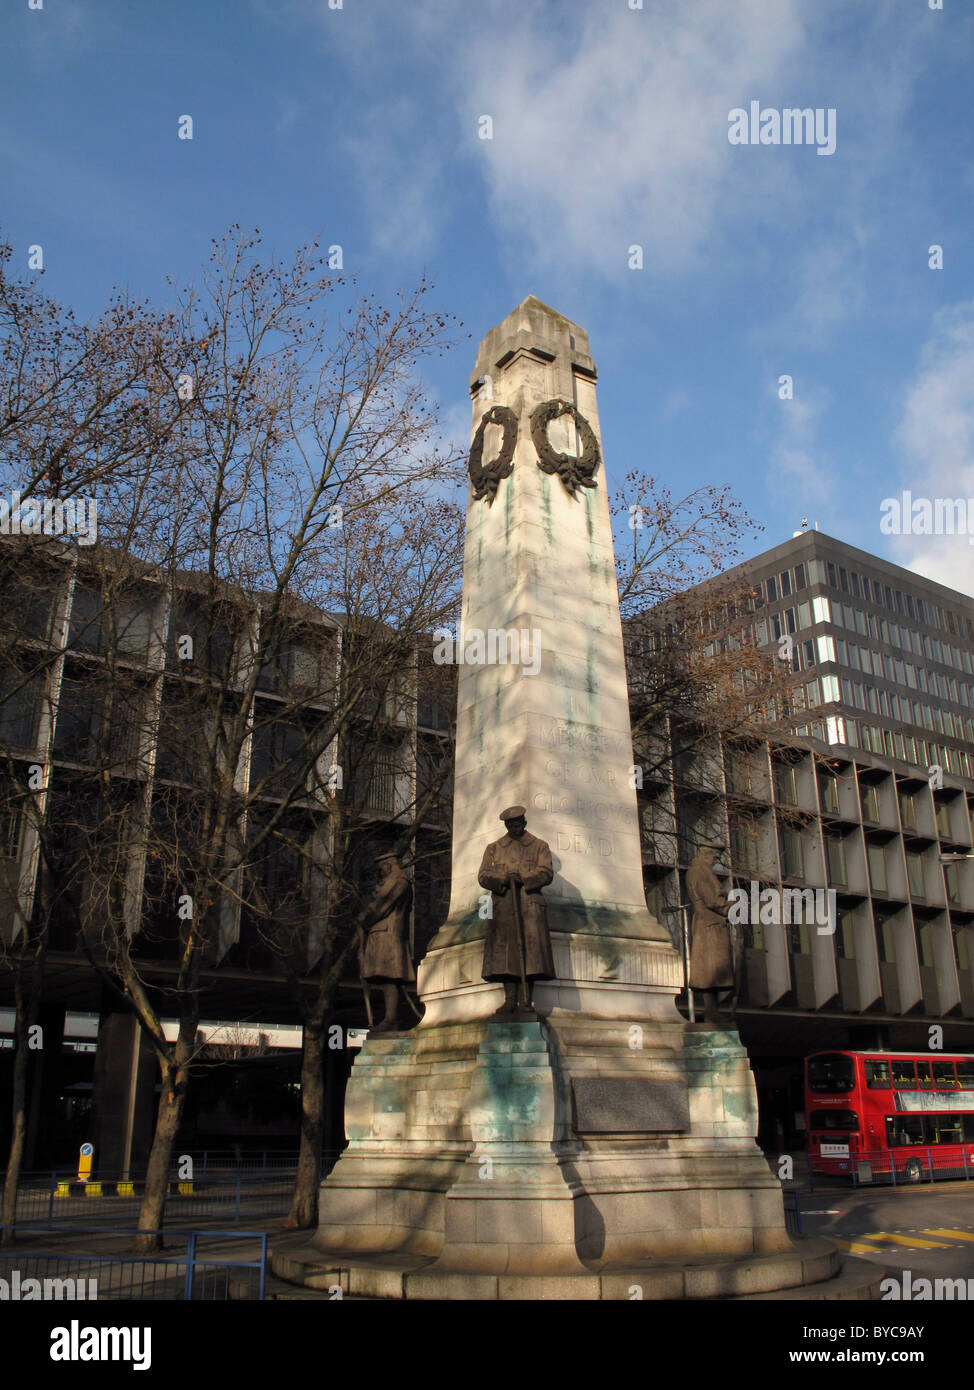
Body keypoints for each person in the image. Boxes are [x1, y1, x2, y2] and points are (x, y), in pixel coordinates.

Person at [478, 804, 554, 1016]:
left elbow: (546, 872)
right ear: (506, 825)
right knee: (504, 956)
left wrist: (523, 877)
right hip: (503, 907)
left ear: (525, 823)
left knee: (531, 955)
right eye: (511, 824)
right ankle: (510, 999)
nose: (515, 827)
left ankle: (526, 1000)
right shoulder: (494, 848)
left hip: (529, 906)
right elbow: (483, 875)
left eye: (518, 823)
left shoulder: (539, 846)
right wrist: (503, 878)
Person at [358, 852, 415, 1032]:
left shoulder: (397, 881)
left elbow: (379, 906)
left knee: (391, 977)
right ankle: (391, 1018)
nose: (380, 873)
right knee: (387, 979)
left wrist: (363, 918)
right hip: (384, 935)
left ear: (389, 864)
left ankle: (392, 1019)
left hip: (388, 936)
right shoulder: (396, 881)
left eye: (382, 868)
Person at [687, 842, 735, 1023]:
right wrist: (729, 906)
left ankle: (712, 1010)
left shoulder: (699, 870)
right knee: (710, 970)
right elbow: (712, 899)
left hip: (710, 925)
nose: (716, 861)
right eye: (715, 857)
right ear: (707, 854)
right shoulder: (699, 871)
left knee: (712, 971)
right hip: (709, 927)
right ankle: (711, 1010)